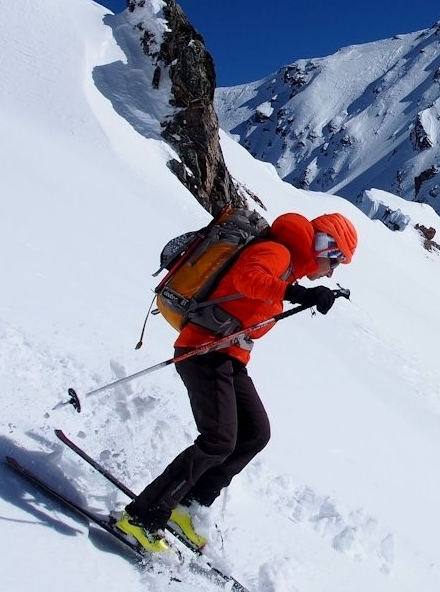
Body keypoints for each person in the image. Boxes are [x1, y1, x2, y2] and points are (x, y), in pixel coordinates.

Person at [116, 210, 358, 552]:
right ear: (323, 246)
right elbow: (249, 278)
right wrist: (298, 295)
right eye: (335, 260)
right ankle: (142, 517)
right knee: (217, 440)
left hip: (229, 356)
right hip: (203, 350)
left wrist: (301, 292)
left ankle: (187, 507)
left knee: (254, 433)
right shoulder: (278, 252)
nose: (332, 271)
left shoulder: (287, 262)